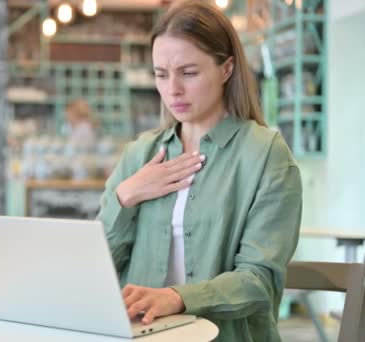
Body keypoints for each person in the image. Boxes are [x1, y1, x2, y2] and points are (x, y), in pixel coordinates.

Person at [96, 1, 302, 341]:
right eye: (161, 74)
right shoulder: (140, 154)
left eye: (188, 73)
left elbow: (259, 280)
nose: (172, 89)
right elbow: (97, 267)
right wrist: (125, 196)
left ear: (226, 69)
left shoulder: (266, 155)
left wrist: (177, 298)